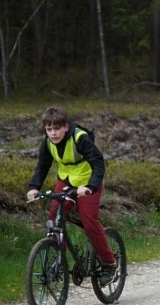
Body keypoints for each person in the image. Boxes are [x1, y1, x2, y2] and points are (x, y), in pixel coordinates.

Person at [26, 107, 118, 285]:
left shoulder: (80, 138)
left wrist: (90, 186)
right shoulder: (47, 143)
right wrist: (34, 187)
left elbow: (98, 163)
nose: (53, 133)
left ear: (66, 127)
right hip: (66, 181)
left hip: (88, 182)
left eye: (57, 128)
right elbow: (42, 166)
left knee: (90, 223)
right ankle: (58, 258)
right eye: (49, 129)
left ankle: (109, 263)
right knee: (54, 218)